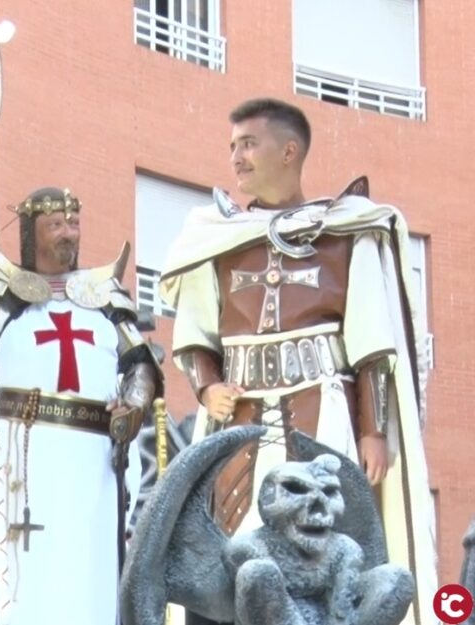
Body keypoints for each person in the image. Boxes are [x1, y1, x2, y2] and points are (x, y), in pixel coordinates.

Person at [159, 98, 436, 624]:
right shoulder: (212, 239)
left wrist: (374, 429)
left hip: (323, 410)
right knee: (231, 539)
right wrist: (206, 386)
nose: (236, 158)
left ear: (289, 151)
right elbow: (196, 332)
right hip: (238, 421)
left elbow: (371, 343)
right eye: (232, 147)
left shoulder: (345, 233)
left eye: (248, 144)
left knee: (328, 531)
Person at [0, 187, 163, 625]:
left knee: (88, 580)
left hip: (92, 466)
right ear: (31, 232)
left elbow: (140, 365)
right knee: (22, 583)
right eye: (55, 225)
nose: (68, 234)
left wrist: (133, 402)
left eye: (73, 223)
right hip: (21, 461)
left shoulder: (105, 297)